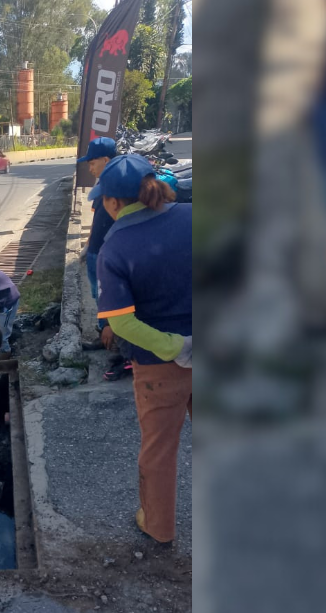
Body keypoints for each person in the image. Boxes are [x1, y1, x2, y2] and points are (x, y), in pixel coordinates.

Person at [92, 154, 193, 545]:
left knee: (159, 450)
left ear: (114, 202)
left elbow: (121, 322)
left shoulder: (115, 248)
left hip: (160, 364)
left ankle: (158, 526)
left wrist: (175, 346)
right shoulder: (192, 216)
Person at [77, 137, 130, 380]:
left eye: (92, 162)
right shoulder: (103, 187)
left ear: (106, 160)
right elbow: (97, 220)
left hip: (109, 258)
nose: (89, 167)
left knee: (113, 301)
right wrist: (88, 245)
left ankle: (121, 356)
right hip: (96, 254)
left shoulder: (118, 188)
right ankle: (105, 336)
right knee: (99, 297)